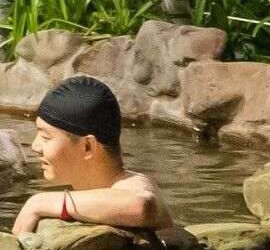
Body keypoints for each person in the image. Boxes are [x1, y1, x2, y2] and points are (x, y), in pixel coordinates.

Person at [13, 75, 165, 237]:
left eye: (46, 137)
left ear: (87, 147)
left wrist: (39, 202)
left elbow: (142, 206)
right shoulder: (94, 192)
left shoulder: (135, 184)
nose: (35, 146)